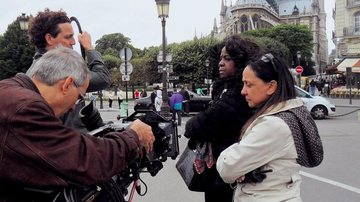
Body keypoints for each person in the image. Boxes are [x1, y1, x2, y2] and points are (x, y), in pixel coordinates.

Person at [0, 47, 155, 201]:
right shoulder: (26, 107)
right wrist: (133, 136)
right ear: (67, 84)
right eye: (79, 96)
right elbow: (82, 160)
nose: (74, 106)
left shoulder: (10, 89)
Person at [217, 53, 323, 202]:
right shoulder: (289, 113)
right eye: (243, 84)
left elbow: (227, 168)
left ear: (271, 86)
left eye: (249, 84)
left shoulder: (273, 125)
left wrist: (230, 153)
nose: (243, 91)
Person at [184, 35, 263, 202]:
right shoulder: (225, 87)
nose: (221, 63)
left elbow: (206, 121)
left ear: (240, 61)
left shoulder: (240, 92)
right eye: (221, 58)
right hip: (224, 165)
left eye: (227, 58)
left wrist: (192, 125)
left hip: (231, 168)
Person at [27, 8, 110, 133]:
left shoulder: (32, 70)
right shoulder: (59, 68)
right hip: (73, 143)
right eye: (68, 37)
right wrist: (89, 47)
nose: (74, 42)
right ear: (49, 39)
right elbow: (102, 78)